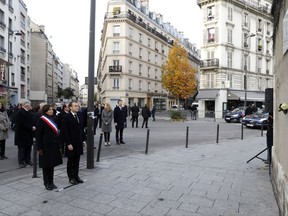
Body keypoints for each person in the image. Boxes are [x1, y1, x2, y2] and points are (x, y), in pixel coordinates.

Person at [36, 104, 63, 190]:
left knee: (52, 165)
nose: (52, 111)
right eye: (49, 109)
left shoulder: (54, 118)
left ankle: (51, 182)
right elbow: (38, 135)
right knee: (46, 166)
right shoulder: (41, 120)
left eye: (52, 109)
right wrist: (39, 148)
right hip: (45, 146)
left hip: (53, 145)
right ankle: (46, 183)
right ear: (45, 111)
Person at [62, 101, 86, 185]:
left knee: (77, 160)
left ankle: (76, 176)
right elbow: (65, 132)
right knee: (71, 161)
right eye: (75, 106)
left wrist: (83, 140)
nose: (77, 107)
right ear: (70, 108)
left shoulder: (80, 115)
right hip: (71, 143)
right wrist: (68, 143)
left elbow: (82, 129)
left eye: (78, 106)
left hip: (78, 142)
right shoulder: (66, 117)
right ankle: (71, 177)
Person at [14, 100, 36, 168]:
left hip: (28, 134)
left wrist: (33, 126)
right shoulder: (20, 112)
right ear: (26, 105)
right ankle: (21, 162)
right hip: (22, 134)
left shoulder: (28, 112)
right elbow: (21, 124)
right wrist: (31, 127)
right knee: (22, 149)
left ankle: (27, 160)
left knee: (28, 148)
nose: (30, 106)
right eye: (29, 105)